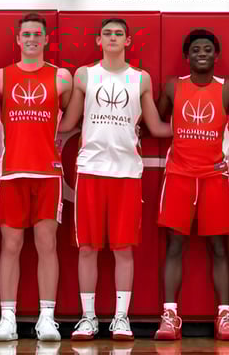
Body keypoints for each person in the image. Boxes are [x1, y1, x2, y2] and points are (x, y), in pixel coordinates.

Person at [58, 17, 172, 341]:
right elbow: (68, 123)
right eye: (107, 33)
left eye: (118, 33)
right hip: (91, 169)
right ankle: (88, 318)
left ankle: (121, 318)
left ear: (128, 41)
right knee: (88, 248)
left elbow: (156, 125)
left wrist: (193, 127)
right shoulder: (85, 75)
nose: (112, 37)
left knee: (123, 249)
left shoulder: (140, 79)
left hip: (126, 171)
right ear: (98, 40)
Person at [153, 29, 229, 341]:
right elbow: (159, 119)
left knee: (219, 247)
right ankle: (170, 315)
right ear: (186, 56)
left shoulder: (228, 89)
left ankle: (225, 315)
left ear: (215, 56)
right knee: (175, 245)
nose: (201, 53)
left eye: (207, 49)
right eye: (194, 49)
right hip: (179, 175)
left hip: (214, 178)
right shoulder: (172, 87)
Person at [0, 13, 73, 342]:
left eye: (37, 35)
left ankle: (46, 318)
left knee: (46, 244)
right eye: (26, 35)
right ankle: (7, 318)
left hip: (47, 172)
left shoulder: (60, 78)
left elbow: (67, 117)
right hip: (12, 171)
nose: (32, 39)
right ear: (18, 39)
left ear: (46, 40)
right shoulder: (1, 77)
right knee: (10, 245)